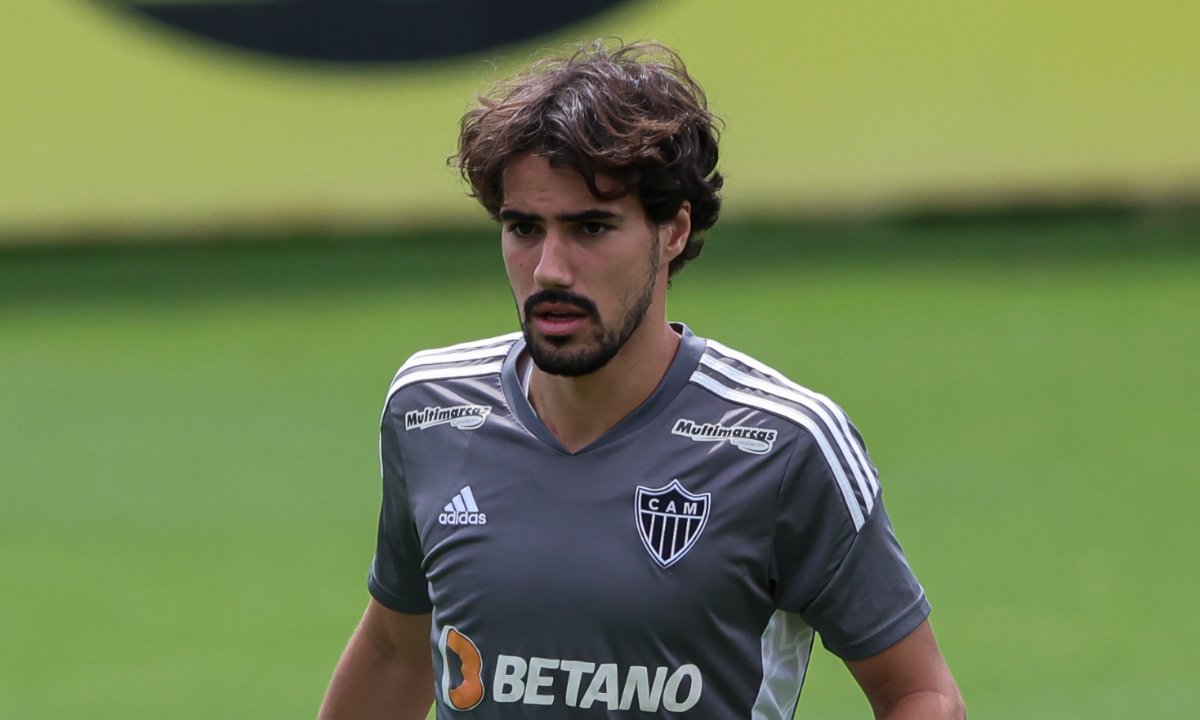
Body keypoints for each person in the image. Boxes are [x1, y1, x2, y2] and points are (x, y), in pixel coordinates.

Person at [319, 40, 964, 719]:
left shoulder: (784, 444)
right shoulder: (430, 409)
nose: (549, 270)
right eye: (524, 228)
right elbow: (397, 647)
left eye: (591, 228)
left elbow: (920, 692)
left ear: (673, 230)